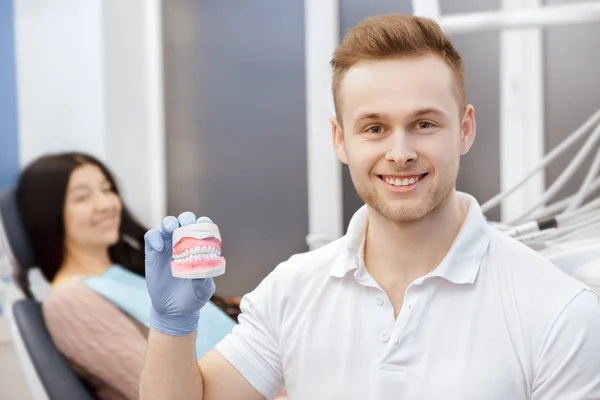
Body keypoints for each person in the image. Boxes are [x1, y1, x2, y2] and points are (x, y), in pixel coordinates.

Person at [140, 14, 600, 399]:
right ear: (341, 139)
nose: (400, 152)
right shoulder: (293, 291)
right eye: (375, 128)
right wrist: (173, 326)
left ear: (465, 129)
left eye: (423, 123)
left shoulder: (558, 312)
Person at [15, 152, 236, 400]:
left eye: (107, 190)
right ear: (47, 213)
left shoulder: (123, 274)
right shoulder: (70, 300)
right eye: (82, 197)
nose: (107, 204)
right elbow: (161, 390)